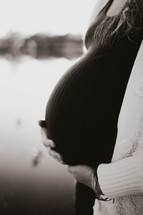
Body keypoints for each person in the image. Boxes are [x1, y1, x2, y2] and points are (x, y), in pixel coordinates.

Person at [39, 0, 143, 214]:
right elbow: (101, 64)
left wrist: (101, 181)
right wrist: (50, 124)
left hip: (111, 179)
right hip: (88, 171)